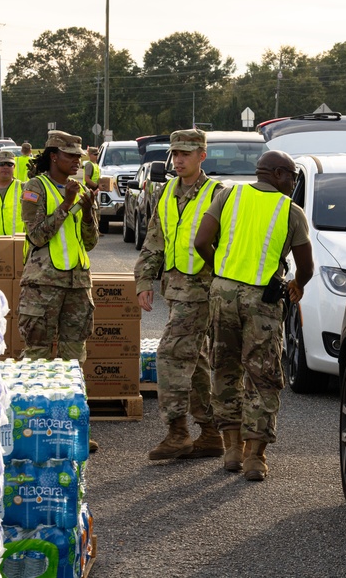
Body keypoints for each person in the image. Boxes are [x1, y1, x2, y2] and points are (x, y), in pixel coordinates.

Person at [194, 150, 314, 481]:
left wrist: (219, 269)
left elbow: (202, 240)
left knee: (225, 368)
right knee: (263, 377)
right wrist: (297, 285)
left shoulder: (228, 194)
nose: (293, 182)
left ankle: (231, 448)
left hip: (223, 293)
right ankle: (255, 458)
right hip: (262, 298)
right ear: (277, 174)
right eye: (291, 176)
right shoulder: (291, 211)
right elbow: (306, 266)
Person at [134, 129, 225, 461]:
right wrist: (144, 280)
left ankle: (177, 433)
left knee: (170, 354)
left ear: (202, 155)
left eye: (186, 153)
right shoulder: (167, 191)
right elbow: (155, 240)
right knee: (195, 361)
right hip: (175, 289)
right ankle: (213, 432)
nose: (179, 159)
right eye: (175, 154)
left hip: (202, 291)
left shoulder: (219, 194)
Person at [18, 130, 99, 449]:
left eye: (79, 156)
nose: (77, 160)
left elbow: (90, 242)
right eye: (71, 155)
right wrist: (65, 205)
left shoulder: (79, 189)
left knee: (73, 359)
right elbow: (36, 236)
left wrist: (89, 210)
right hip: (43, 285)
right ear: (53, 156)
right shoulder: (33, 188)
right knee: (37, 356)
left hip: (78, 284)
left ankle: (74, 429)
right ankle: (33, 428)